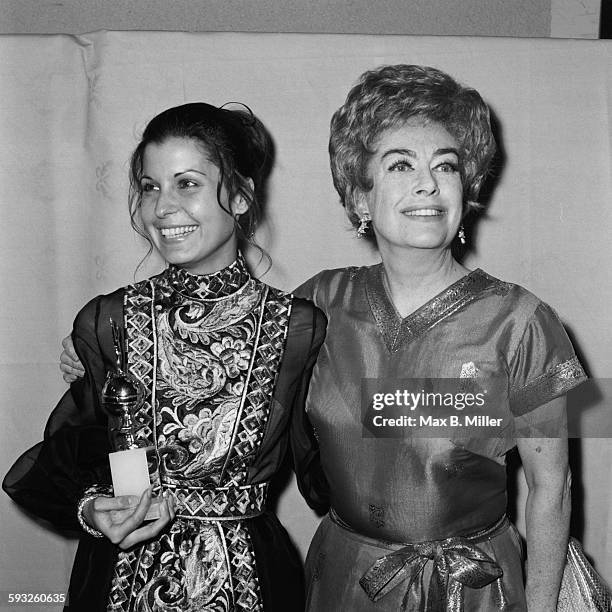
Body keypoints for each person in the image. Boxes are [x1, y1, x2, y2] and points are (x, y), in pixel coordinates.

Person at [58, 66, 588, 611]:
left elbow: (554, 490)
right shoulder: (319, 308)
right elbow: (218, 370)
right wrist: (99, 353)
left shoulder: (524, 322)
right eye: (400, 165)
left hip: (474, 589)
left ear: (466, 189)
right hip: (344, 580)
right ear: (360, 196)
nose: (427, 183)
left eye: (445, 166)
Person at [4, 102, 327, 612]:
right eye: (151, 186)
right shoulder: (108, 320)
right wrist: (93, 508)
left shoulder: (300, 328)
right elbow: (71, 456)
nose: (161, 207)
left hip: (252, 581)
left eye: (188, 183)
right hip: (118, 576)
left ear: (241, 197)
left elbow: (330, 471)